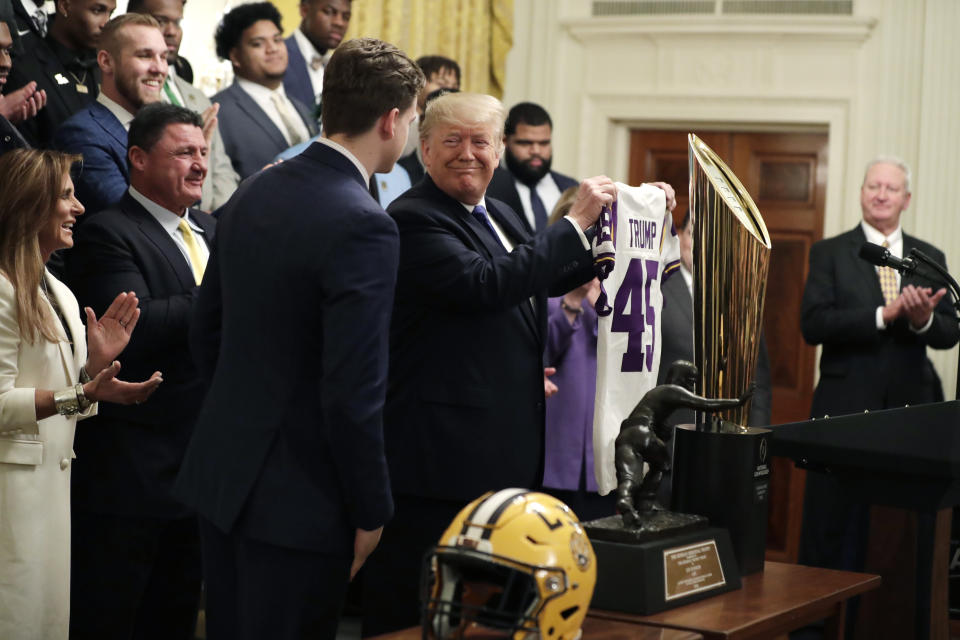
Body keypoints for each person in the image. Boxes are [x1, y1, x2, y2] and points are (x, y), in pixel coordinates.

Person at [173, 38, 423, 640]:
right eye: (415, 119)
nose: (411, 131)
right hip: (303, 500)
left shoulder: (258, 186)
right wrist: (371, 507)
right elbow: (352, 391)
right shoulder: (366, 224)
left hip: (225, 477)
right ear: (391, 121)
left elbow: (206, 331)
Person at [361, 91, 619, 637]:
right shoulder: (412, 218)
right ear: (424, 151)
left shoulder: (496, 213)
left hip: (496, 456)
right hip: (438, 465)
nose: (468, 153)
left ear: (498, 150)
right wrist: (573, 222)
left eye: (481, 141)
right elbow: (486, 285)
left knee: (487, 619)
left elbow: (542, 277)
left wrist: (623, 221)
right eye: (452, 141)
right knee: (418, 616)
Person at [63, 103, 214, 640]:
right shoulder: (108, 232)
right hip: (133, 472)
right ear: (138, 159)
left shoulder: (214, 229)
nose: (199, 164)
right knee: (114, 617)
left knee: (176, 619)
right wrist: (225, 295)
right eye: (182, 153)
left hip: (203, 468)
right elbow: (135, 324)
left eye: (202, 151)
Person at [0, 148, 161, 640]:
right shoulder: (1, 290)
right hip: (11, 501)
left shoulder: (61, 291)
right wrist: (80, 391)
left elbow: (71, 398)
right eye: (66, 197)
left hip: (52, 499)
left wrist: (95, 372)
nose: (80, 208)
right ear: (30, 205)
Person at [799, 156, 960, 575]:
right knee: (831, 528)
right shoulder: (831, 252)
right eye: (874, 186)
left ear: (906, 199)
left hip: (906, 416)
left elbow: (948, 332)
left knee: (896, 538)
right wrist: (883, 315)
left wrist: (921, 318)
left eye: (891, 188)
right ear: (861, 194)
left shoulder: (929, 259)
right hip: (843, 413)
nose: (881, 194)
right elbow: (813, 324)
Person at [540, 187, 613, 522]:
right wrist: (571, 301)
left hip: (605, 455)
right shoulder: (541, 286)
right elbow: (541, 357)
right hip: (556, 454)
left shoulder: (618, 287)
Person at [126, 0, 240, 211]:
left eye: (177, 23)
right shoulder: (129, 92)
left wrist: (218, 220)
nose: (171, 31)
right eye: (161, 21)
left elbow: (220, 166)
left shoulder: (195, 95)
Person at [615, 361, 754, 525]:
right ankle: (646, 502)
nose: (692, 388)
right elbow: (705, 404)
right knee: (662, 464)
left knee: (629, 478)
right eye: (691, 382)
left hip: (625, 435)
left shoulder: (655, 396)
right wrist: (737, 402)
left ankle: (625, 499)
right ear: (680, 379)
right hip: (642, 432)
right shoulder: (671, 390)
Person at [54, 13, 166, 215]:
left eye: (163, 57)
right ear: (106, 62)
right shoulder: (81, 134)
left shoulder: (164, 132)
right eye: (144, 55)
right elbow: (131, 218)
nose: (159, 68)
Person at [212, 2, 318, 180]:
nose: (273, 49)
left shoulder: (300, 106)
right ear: (235, 56)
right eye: (258, 44)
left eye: (277, 40)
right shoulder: (218, 110)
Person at [4, 0, 113, 149]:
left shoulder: (104, 68)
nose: (106, 23)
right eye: (97, 11)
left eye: (110, 13)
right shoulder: (25, 73)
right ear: (65, 6)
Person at [486, 101, 578, 234]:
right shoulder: (488, 186)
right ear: (504, 142)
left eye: (544, 143)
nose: (536, 151)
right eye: (525, 143)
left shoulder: (569, 187)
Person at [397, 55, 460, 183]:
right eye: (441, 84)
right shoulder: (401, 121)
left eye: (455, 87)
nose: (448, 91)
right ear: (418, 83)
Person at [283, 0, 350, 116]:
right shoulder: (278, 58)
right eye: (329, 12)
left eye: (346, 17)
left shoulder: (341, 68)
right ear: (304, 10)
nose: (339, 23)